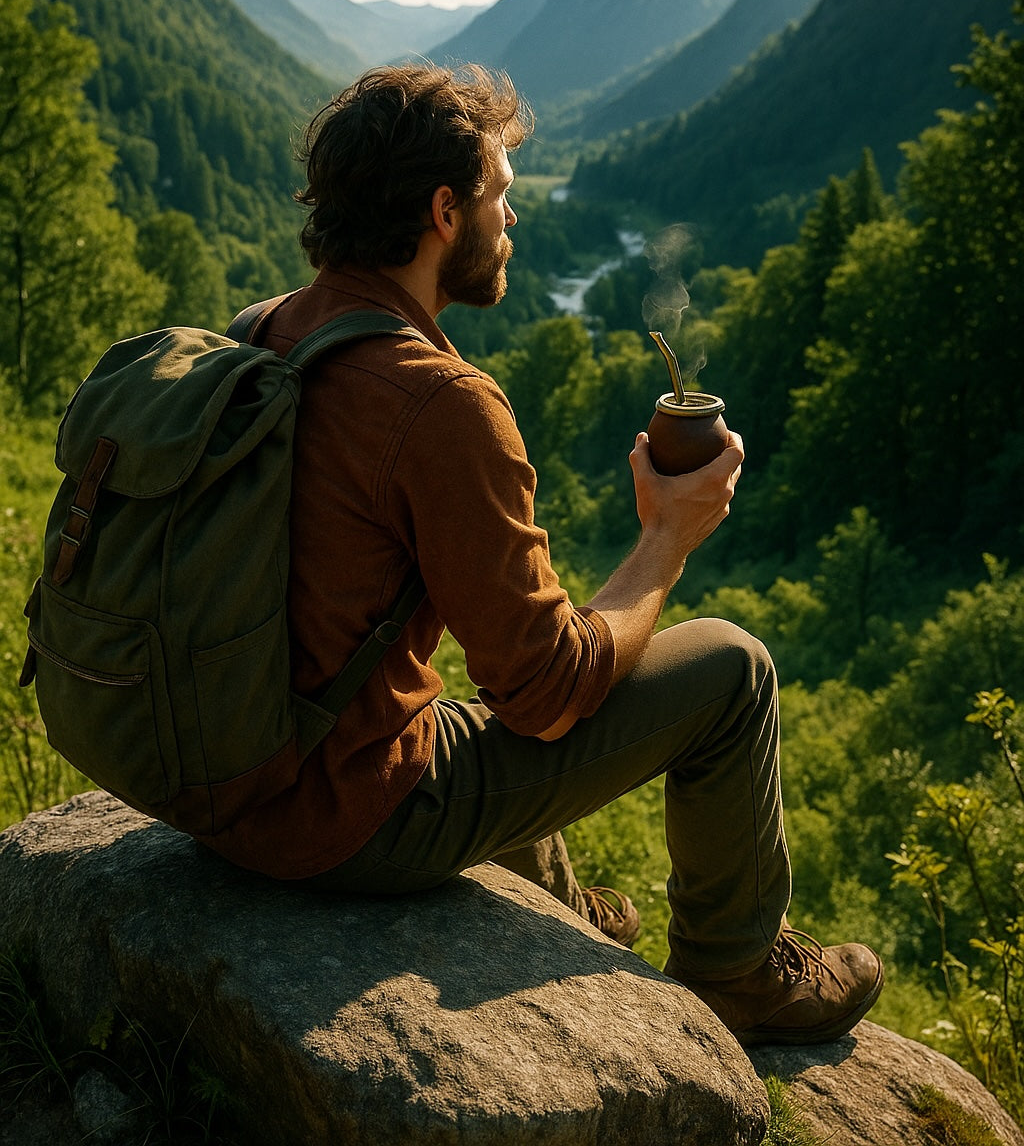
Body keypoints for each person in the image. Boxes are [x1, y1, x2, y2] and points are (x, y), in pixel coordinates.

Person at [205, 62, 883, 1047]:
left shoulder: (262, 331)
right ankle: (736, 973)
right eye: (500, 199)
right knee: (732, 669)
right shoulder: (440, 402)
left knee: (454, 712)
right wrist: (664, 538)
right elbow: (550, 693)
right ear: (446, 212)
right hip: (334, 823)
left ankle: (560, 913)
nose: (510, 222)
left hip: (229, 773)